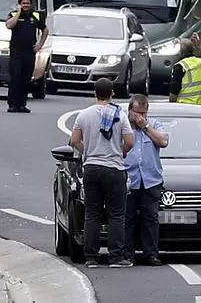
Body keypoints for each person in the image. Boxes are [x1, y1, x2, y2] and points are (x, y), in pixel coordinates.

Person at [71, 78, 135, 268]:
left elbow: (74, 140)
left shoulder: (83, 115)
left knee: (92, 213)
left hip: (91, 168)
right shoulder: (120, 115)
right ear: (112, 93)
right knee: (116, 214)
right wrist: (121, 152)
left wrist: (86, 151)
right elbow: (130, 141)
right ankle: (116, 256)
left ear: (94, 93)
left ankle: (91, 257)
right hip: (114, 168)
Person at [124, 94, 169, 266]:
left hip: (151, 180)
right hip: (129, 179)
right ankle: (127, 253)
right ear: (130, 111)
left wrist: (146, 127)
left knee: (150, 218)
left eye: (144, 113)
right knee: (128, 218)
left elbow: (163, 141)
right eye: (137, 113)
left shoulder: (154, 124)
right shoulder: (124, 126)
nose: (140, 117)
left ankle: (150, 253)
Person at [5, 0, 49, 113]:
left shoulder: (36, 15)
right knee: (15, 77)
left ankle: (22, 104)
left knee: (26, 78)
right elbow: (9, 25)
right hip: (16, 52)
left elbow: (45, 29)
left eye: (27, 3)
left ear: (31, 4)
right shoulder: (13, 14)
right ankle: (13, 104)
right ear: (20, 4)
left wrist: (40, 44)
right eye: (23, 3)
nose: (26, 5)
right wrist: (19, 13)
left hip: (29, 52)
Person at [169, 32, 201, 105]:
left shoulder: (180, 66)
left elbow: (174, 91)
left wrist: (172, 105)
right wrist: (199, 45)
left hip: (186, 106)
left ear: (180, 51)